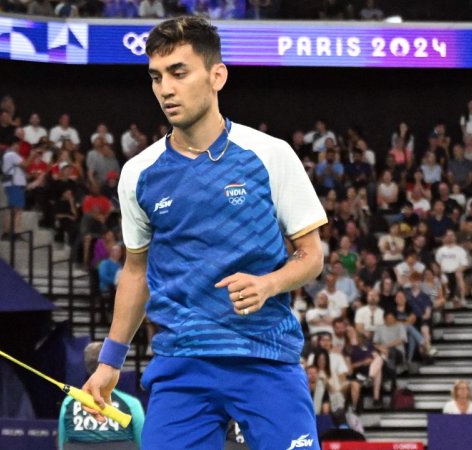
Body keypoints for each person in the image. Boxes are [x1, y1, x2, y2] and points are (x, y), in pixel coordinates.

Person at [82, 17, 327, 450]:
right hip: (182, 364)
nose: (165, 89)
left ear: (217, 75)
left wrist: (268, 284)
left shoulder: (269, 155)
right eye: (156, 77)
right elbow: (136, 272)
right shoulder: (139, 174)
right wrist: (110, 361)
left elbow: (311, 256)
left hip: (265, 356)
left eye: (179, 72)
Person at [59, 342, 145, 449]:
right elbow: (143, 443)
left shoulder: (69, 401)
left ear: (86, 366)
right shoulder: (131, 403)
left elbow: (62, 443)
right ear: (115, 368)